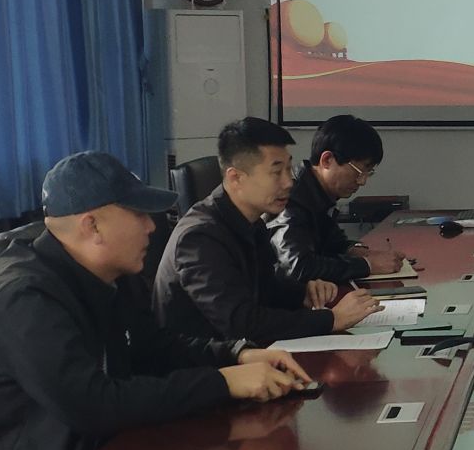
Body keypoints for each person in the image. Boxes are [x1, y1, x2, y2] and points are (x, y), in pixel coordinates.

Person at [0, 151, 310, 450]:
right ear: (92, 226)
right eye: (138, 214)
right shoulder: (24, 296)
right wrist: (222, 383)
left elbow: (154, 349)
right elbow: (93, 405)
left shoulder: (112, 275)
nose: (151, 226)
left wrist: (237, 355)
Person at [156, 117, 381, 344]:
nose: (288, 182)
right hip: (207, 362)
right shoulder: (199, 238)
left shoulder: (252, 222)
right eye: (276, 172)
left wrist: (302, 293)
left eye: (288, 169)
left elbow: (266, 288)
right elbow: (242, 324)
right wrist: (331, 319)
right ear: (236, 178)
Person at [270, 114, 404, 285]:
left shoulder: (317, 193)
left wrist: (355, 251)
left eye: (368, 173)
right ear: (327, 160)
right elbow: (297, 267)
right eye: (359, 172)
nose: (362, 181)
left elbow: (332, 244)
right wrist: (367, 265)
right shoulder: (290, 198)